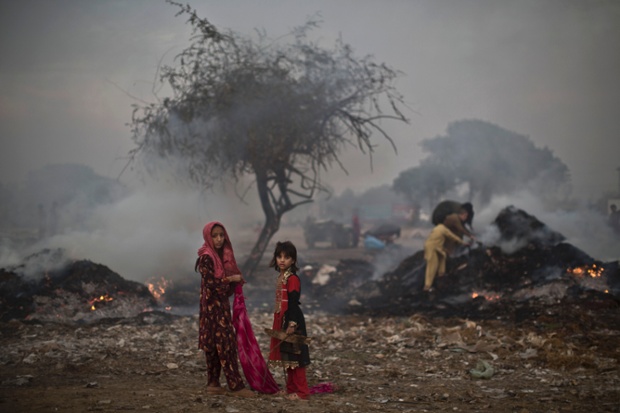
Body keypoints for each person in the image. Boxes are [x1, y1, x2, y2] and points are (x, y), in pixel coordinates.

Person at [195, 221, 256, 398]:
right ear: (208, 237)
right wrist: (230, 280)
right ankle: (236, 385)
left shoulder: (221, 256)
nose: (219, 239)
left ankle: (213, 383)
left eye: (221, 235)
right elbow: (211, 284)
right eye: (215, 236)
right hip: (212, 309)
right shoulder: (206, 257)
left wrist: (234, 280)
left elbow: (222, 288)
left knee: (214, 344)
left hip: (219, 306)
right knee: (226, 344)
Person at [268, 241, 311, 401]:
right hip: (282, 319)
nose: (282, 260)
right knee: (288, 357)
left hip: (292, 320)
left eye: (286, 257)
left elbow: (293, 301)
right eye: (279, 256)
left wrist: (292, 323)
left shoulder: (292, 278)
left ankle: (302, 392)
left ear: (293, 260)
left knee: (297, 357)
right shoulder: (281, 276)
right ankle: (291, 388)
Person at [423, 222, 470, 292]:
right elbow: (452, 236)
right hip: (432, 248)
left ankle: (441, 278)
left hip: (435, 247)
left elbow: (437, 241)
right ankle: (427, 287)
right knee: (432, 266)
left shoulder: (437, 228)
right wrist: (463, 242)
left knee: (442, 259)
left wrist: (445, 250)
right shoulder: (443, 229)